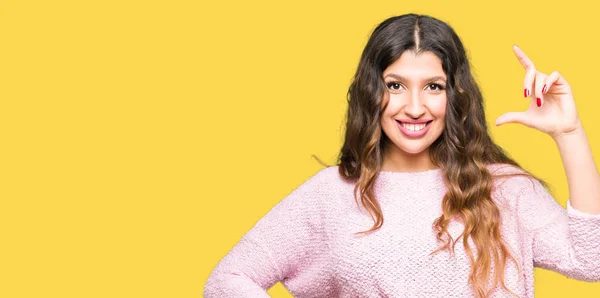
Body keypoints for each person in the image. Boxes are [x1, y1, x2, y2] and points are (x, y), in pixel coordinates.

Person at [203, 13, 600, 298]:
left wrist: (569, 132)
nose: (413, 107)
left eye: (433, 86)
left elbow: (592, 261)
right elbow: (228, 279)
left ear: (455, 95)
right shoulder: (333, 194)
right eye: (395, 85)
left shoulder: (503, 188)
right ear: (371, 91)